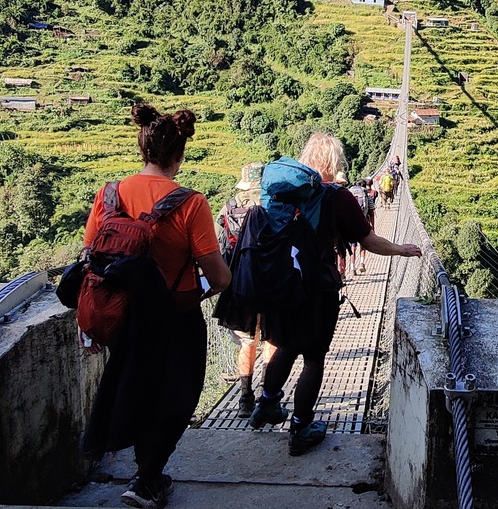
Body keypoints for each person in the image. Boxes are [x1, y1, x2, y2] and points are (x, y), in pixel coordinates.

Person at [81, 105, 231, 509]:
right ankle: (147, 479)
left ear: (142, 148)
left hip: (121, 314)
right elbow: (219, 277)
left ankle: (143, 472)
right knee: (177, 396)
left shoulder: (110, 193)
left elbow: (91, 252)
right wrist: (197, 291)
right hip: (173, 317)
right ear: (178, 156)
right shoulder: (190, 203)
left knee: (136, 386)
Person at [248, 133, 421, 455]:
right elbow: (369, 241)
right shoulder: (337, 197)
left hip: (279, 284)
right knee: (313, 357)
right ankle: (301, 428)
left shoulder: (278, 194)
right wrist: (402, 249)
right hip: (317, 288)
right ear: (334, 162)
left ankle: (267, 404)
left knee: (285, 345)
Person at [216, 162, 273, 417]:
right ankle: (268, 397)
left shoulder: (229, 208)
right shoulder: (275, 205)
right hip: (272, 283)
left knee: (247, 342)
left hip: (239, 285)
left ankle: (244, 398)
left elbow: (217, 249)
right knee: (271, 340)